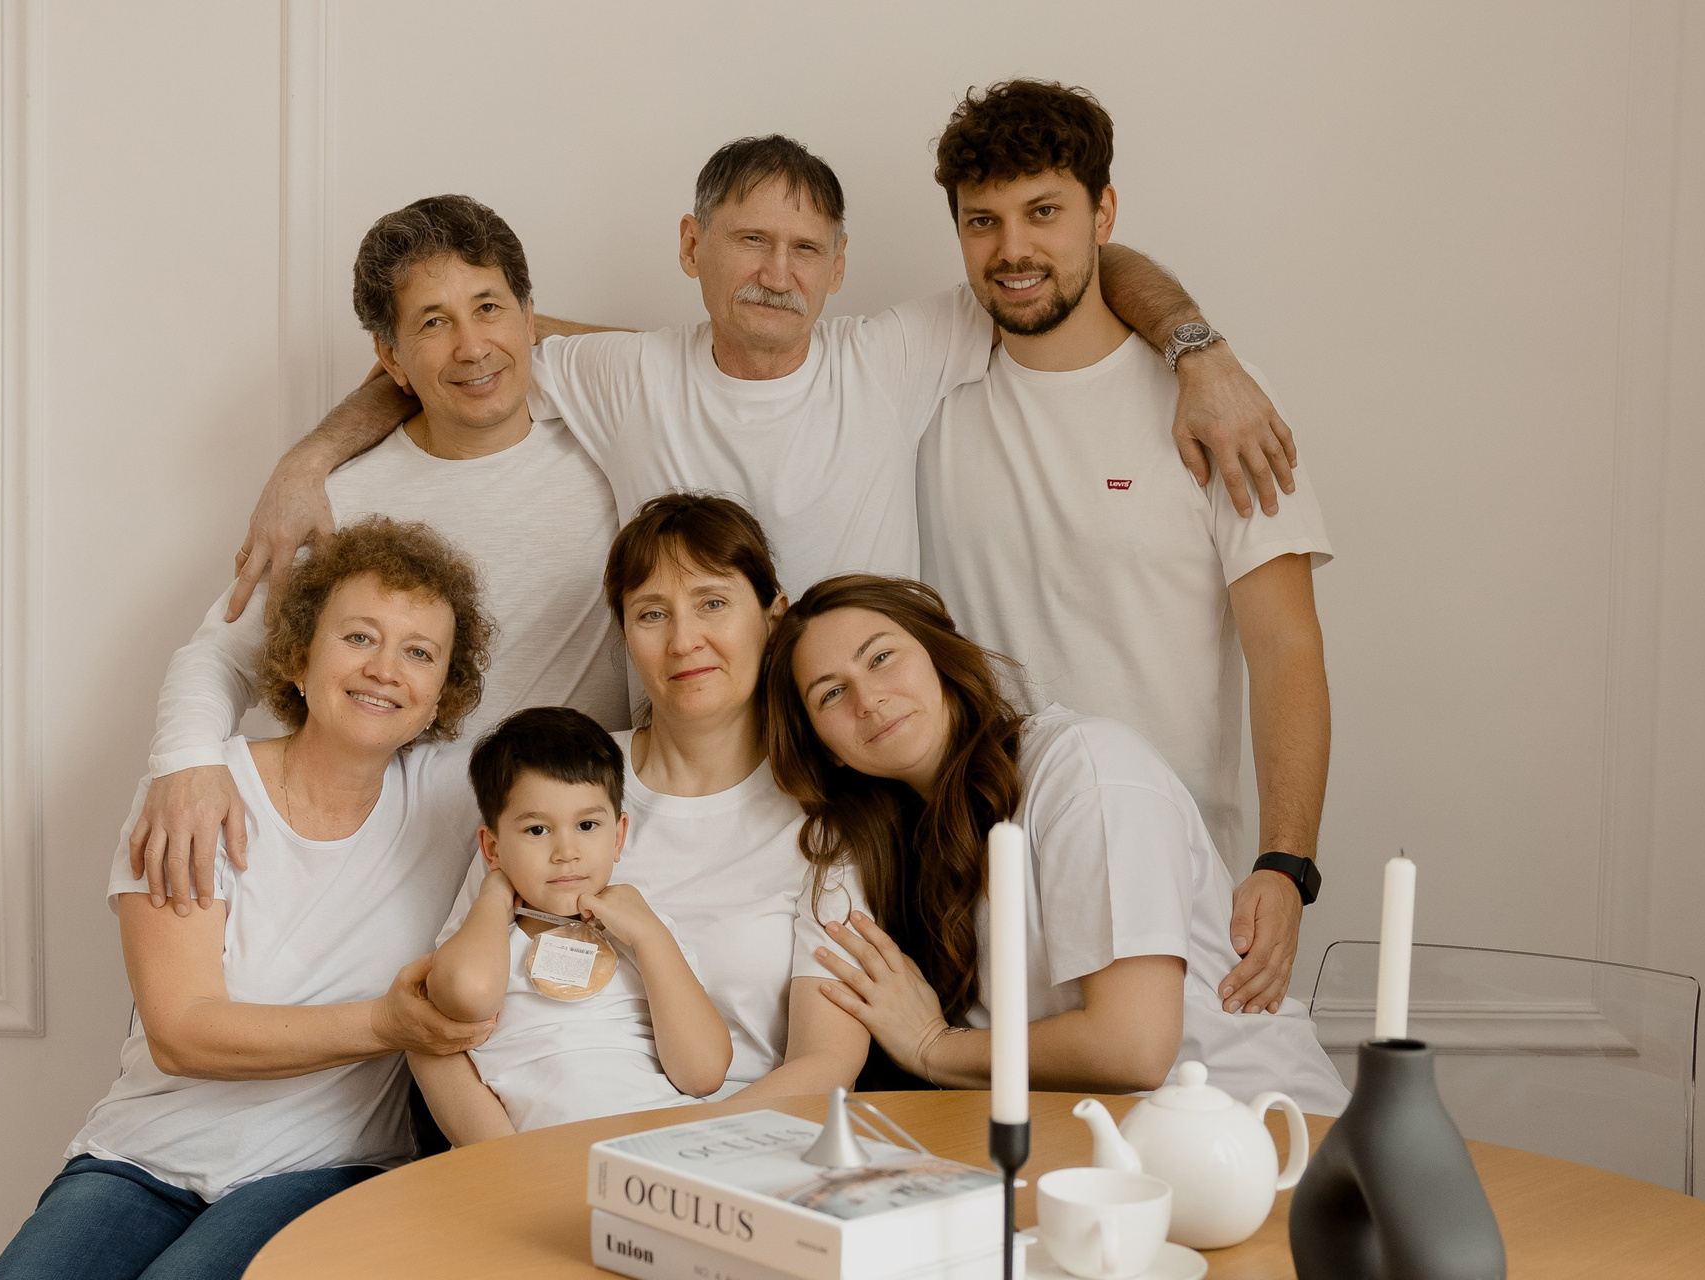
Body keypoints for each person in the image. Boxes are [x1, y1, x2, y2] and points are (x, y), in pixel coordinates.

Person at [228, 132, 1298, 613]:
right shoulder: (625, 374)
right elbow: (458, 343)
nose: (776, 274)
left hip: (870, 756)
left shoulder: (894, 351)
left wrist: (1201, 352)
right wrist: (306, 460)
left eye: (803, 249)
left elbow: (1079, 262)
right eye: (749, 241)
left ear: (840, 265)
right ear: (691, 245)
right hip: (692, 766)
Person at [917, 81, 1333, 1015]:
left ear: (1103, 214)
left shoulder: (1222, 407)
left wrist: (1286, 863)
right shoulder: (920, 383)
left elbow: (1285, 646)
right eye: (983, 221)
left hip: (1178, 899)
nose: (1013, 249)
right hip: (972, 907)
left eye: (1045, 212)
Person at [0, 518, 498, 1280]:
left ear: (441, 698)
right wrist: (386, 1023)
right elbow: (182, 1032)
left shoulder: (457, 801)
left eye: (419, 653)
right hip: (141, 1158)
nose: (386, 669)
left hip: (330, 1168)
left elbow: (606, 776)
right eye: (359, 637)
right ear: (298, 658)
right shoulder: (195, 794)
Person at [130, 194, 627, 915]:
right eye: (433, 322)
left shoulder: (615, 447)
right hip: (394, 869)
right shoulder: (339, 497)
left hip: (572, 863)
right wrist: (185, 763)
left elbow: (717, 362)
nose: (471, 347)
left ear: (530, 317)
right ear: (390, 358)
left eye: (489, 308)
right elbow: (225, 652)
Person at [764, 575, 1348, 1116]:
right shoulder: (892, 854)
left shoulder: (1083, 769)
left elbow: (1134, 1047)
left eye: (881, 657)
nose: (868, 699)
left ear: (939, 656)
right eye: (830, 694)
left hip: (1267, 1131)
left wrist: (931, 1045)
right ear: (826, 748)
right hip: (1101, 1152)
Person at [417, 493, 870, 1129]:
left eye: (712, 603)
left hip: (742, 1143)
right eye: (652, 614)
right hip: (530, 1146)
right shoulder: (565, 777)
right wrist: (508, 1168)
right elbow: (434, 1030)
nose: (684, 641)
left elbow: (826, 1063)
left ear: (774, 617)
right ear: (626, 634)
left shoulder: (824, 829)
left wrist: (667, 1163)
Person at [414, 707, 732, 1138]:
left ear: (618, 836)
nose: (566, 852)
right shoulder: (483, 941)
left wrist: (649, 937)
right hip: (545, 1160)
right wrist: (493, 897)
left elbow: (704, 1074)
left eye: (586, 825)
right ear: (493, 848)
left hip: (665, 1141)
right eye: (537, 830)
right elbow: (466, 996)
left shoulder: (643, 934)